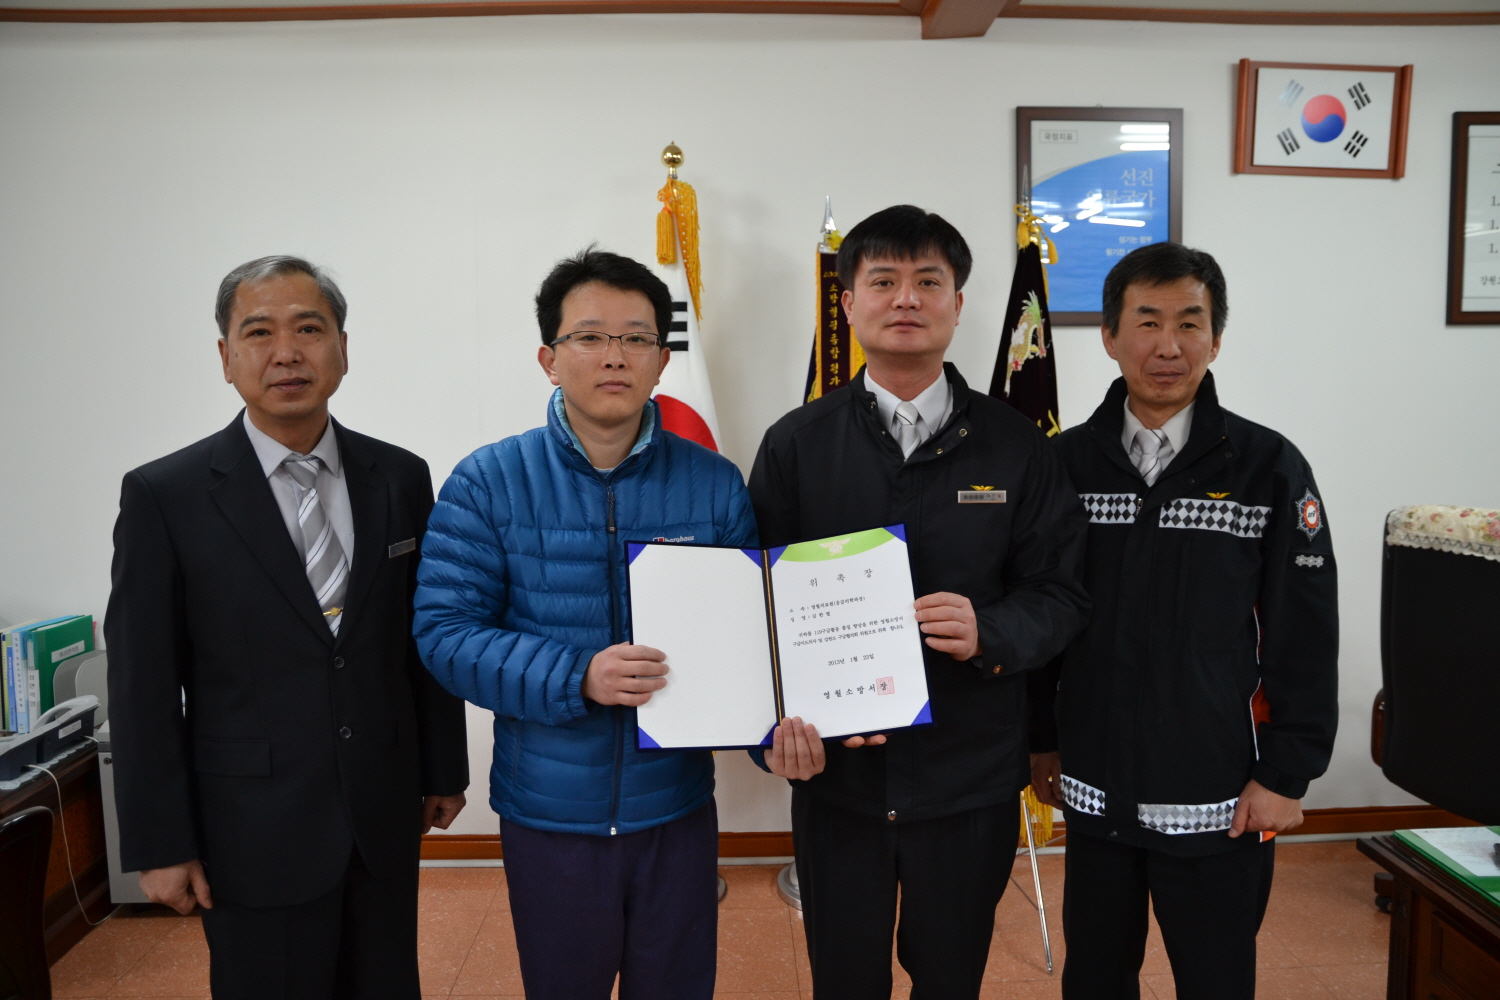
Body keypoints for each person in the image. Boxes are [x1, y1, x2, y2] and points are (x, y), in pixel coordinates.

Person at [749, 205, 1091, 1000]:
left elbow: (1063, 594)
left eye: (928, 281)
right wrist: (773, 732)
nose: (906, 298)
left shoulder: (1017, 445)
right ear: (847, 303)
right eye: (884, 281)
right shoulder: (796, 443)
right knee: (844, 981)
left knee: (950, 979)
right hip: (839, 780)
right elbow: (757, 605)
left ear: (958, 303)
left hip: (967, 777)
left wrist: (989, 629)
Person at [105, 256, 469, 998]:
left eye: (309, 329)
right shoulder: (166, 495)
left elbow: (422, 634)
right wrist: (159, 840)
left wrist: (443, 766)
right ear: (226, 357)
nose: (286, 353)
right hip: (249, 828)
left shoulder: (400, 477)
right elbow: (142, 685)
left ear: (342, 348)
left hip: (382, 811)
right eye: (259, 332)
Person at [412, 248, 756, 1000]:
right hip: (549, 814)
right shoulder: (488, 482)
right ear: (549, 358)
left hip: (675, 808)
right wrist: (579, 676)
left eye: (636, 338)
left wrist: (777, 735)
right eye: (590, 336)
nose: (614, 356)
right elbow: (445, 633)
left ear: (662, 360)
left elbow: (746, 640)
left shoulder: (714, 484)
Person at [1029, 242, 1339, 1000]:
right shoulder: (1063, 466)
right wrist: (1039, 739)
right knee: (1096, 977)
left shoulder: (1268, 467)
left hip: (1221, 795)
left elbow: (1305, 632)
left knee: (1216, 979)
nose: (1168, 346)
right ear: (1109, 336)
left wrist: (1286, 773)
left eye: (1189, 323)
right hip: (1095, 787)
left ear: (1216, 338)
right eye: (1147, 322)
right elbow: (1039, 615)